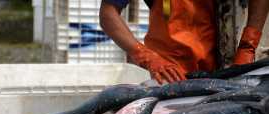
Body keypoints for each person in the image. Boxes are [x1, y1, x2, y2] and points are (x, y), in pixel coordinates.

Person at [99, 0, 269, 84]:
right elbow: (108, 14)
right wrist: (146, 56)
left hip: (226, 70)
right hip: (170, 74)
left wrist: (248, 46)